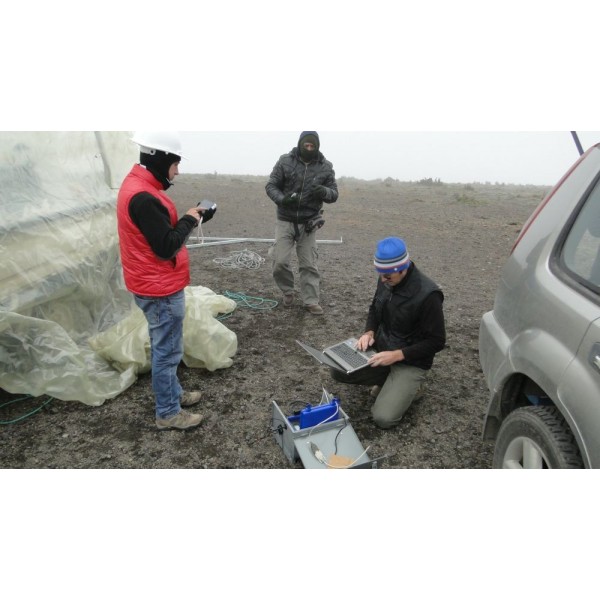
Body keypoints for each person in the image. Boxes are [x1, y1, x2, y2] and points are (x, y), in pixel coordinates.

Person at [117, 131, 212, 431]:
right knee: (167, 351)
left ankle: (174, 395)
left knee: (168, 346)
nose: (178, 171)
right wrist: (189, 219)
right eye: (175, 164)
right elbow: (165, 245)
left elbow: (157, 234)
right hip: (159, 287)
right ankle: (168, 412)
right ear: (161, 160)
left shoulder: (139, 187)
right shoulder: (144, 197)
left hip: (151, 282)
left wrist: (190, 219)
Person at [330, 237, 446, 429]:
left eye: (388, 276)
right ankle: (392, 383)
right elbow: (375, 308)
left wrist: (397, 355)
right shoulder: (386, 277)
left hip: (410, 361)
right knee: (338, 370)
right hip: (382, 350)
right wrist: (369, 333)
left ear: (403, 268)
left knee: (383, 418)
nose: (383, 280)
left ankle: (412, 387)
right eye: (380, 274)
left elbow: (437, 341)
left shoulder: (428, 295)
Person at [265, 131, 338, 315]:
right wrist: (283, 199)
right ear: (300, 144)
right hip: (285, 220)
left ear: (317, 146)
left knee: (309, 264)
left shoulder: (325, 167)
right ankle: (288, 291)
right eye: (306, 145)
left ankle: (311, 301)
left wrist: (323, 192)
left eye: (313, 146)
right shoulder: (285, 161)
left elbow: (334, 194)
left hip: (309, 222)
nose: (309, 148)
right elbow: (271, 186)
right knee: (279, 261)